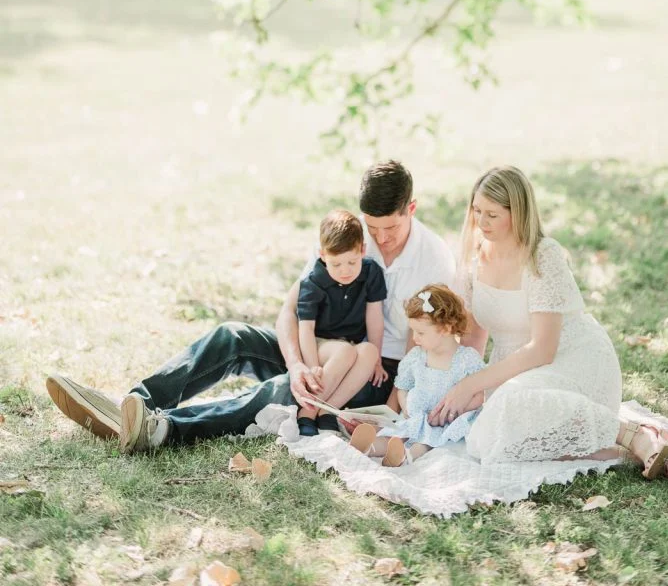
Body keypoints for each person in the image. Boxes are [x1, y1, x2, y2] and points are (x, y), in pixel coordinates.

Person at [46, 160, 456, 453]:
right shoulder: (346, 241)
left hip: (373, 372)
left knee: (285, 392)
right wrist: (296, 364)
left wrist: (394, 406)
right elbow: (289, 311)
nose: (381, 239)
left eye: (392, 228)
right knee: (233, 335)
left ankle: (163, 430)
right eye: (373, 227)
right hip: (317, 347)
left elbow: (438, 344)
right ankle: (133, 405)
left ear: (412, 209)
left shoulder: (433, 259)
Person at [426, 166, 668, 480]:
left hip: (571, 357)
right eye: (477, 211)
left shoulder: (542, 256)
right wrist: (455, 387)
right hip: (513, 369)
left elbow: (543, 350)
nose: (481, 222)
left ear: (517, 213)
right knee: (485, 439)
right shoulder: (473, 260)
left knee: (511, 405)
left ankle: (634, 435)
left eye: (492, 214)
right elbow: (474, 338)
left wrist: (473, 385)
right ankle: (627, 453)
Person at [350, 283, 485, 467]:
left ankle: (405, 456)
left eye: (421, 332)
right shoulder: (416, 357)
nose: (415, 338)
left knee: (425, 441)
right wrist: (406, 406)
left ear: (446, 328)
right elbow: (403, 386)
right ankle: (370, 446)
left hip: (444, 422)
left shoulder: (466, 359)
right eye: (413, 331)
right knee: (398, 433)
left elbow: (479, 395)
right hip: (416, 417)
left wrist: (455, 411)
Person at [294, 209, 387, 436]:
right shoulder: (313, 282)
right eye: (336, 264)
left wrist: (377, 361)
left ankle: (329, 411)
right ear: (323, 255)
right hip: (320, 342)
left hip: (350, 344)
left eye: (351, 262)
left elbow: (374, 316)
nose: (345, 271)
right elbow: (306, 328)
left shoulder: (371, 272)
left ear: (363, 251)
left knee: (369, 351)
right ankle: (307, 411)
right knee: (345, 351)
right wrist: (313, 364)